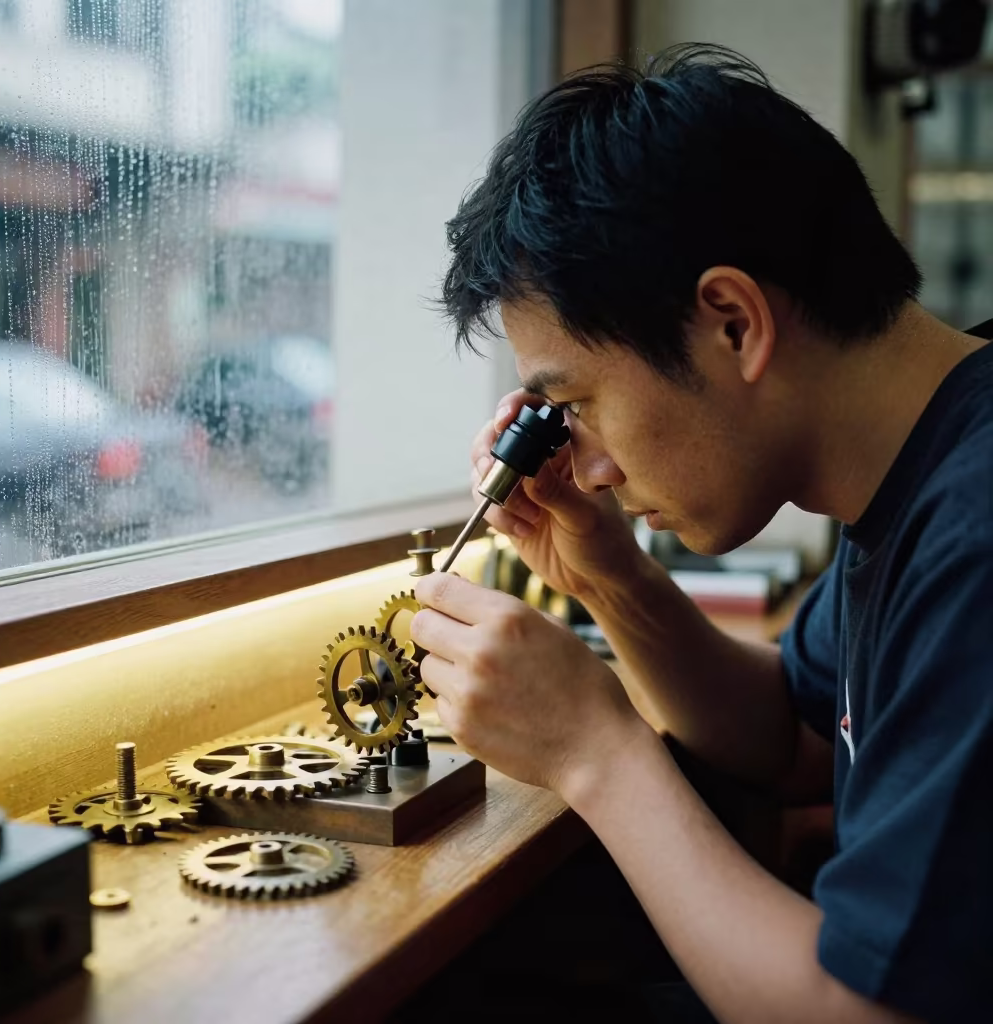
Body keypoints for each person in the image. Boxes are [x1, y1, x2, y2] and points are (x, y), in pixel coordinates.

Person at [408, 44, 993, 1024]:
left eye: (577, 403)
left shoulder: (975, 532)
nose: (582, 463)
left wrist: (596, 752)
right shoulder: (923, 462)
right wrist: (607, 575)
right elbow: (794, 734)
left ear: (730, 321)